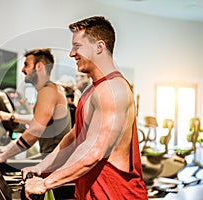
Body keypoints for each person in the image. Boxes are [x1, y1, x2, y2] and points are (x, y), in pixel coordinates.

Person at [22, 16, 148, 200]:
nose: (71, 54)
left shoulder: (114, 89)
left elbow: (94, 151)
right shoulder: (92, 90)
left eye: (77, 46)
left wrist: (45, 183)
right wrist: (40, 169)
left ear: (99, 47)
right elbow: (73, 140)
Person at [0, 48, 71, 162]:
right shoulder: (51, 89)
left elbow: (35, 130)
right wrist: (7, 148)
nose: (23, 70)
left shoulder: (48, 91)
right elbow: (38, 120)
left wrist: (2, 156)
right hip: (52, 159)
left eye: (26, 65)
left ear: (39, 66)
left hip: (56, 162)